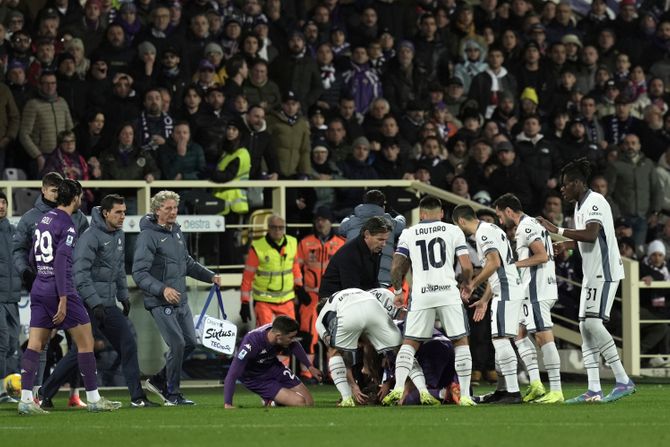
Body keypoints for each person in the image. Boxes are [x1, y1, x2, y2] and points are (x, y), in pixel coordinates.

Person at [17, 180, 121, 415]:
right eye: (80, 196)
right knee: (86, 342)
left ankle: (25, 399)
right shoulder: (68, 224)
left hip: (39, 286)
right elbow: (63, 261)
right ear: (74, 197)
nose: (81, 200)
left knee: (35, 344)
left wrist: (39, 275)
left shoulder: (44, 218)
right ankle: (93, 399)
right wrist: (63, 298)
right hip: (61, 289)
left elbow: (33, 253)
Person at [538, 158, 635, 403]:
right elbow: (587, 239)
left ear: (579, 183)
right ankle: (593, 389)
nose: (562, 189)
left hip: (605, 271)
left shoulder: (595, 201)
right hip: (592, 273)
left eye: (566, 184)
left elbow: (591, 235)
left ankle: (623, 380)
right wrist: (568, 246)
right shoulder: (579, 206)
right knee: (585, 328)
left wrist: (556, 230)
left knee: (592, 325)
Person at [383, 196, 475, 407]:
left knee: (410, 343)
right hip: (448, 293)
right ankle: (467, 396)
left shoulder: (409, 232)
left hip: (422, 293)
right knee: (460, 342)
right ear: (441, 213)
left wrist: (398, 291)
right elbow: (467, 266)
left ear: (422, 214)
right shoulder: (453, 230)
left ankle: (398, 389)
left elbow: (397, 267)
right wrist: (466, 283)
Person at [132, 190, 222, 406]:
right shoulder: (147, 236)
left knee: (190, 342)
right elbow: (139, 273)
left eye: (175, 208)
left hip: (180, 300)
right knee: (178, 343)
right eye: (168, 208)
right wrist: (162, 289)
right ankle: (172, 393)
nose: (173, 212)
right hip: (161, 301)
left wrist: (210, 276)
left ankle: (158, 381)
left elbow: (187, 263)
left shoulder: (177, 232)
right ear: (157, 210)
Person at [75, 195, 159, 407]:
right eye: (118, 212)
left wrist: (123, 296)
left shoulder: (119, 235)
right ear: (105, 213)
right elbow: (80, 274)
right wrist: (94, 303)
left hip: (107, 303)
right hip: (88, 303)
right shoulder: (90, 236)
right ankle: (46, 392)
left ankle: (137, 398)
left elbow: (119, 271)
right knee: (84, 350)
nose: (123, 217)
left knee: (127, 342)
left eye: (124, 212)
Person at [493, 193, 564, 404]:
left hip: (537, 290)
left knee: (543, 337)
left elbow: (541, 255)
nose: (499, 221)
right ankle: (536, 384)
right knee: (518, 333)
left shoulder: (527, 226)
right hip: (531, 289)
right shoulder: (531, 224)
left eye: (499, 215)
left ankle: (557, 390)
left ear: (508, 211)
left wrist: (513, 266)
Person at [452, 204, 524, 404]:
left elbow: (494, 264)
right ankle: (502, 390)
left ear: (461, 221)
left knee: (501, 340)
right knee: (498, 339)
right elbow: (496, 267)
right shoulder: (492, 229)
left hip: (507, 290)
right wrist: (484, 299)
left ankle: (513, 392)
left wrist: (473, 284)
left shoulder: (482, 234)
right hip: (505, 289)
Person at [316, 288, 403, 406]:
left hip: (369, 310)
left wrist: (353, 386)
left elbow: (337, 353)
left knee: (336, 352)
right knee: (399, 348)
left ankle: (347, 397)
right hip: (375, 308)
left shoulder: (322, 322)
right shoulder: (352, 298)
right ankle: (402, 387)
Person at [223, 316, 322, 408]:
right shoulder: (251, 344)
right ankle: (270, 400)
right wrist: (228, 403)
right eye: (290, 337)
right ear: (278, 336)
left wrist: (310, 367)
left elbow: (294, 345)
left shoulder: (277, 331)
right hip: (256, 377)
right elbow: (232, 374)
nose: (292, 340)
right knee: (300, 402)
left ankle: (275, 398)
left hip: (273, 367)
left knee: (309, 403)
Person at [295, 207, 346, 380]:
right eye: (318, 219)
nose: (320, 222)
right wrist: (299, 289)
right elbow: (296, 268)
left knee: (333, 336)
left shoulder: (340, 243)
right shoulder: (305, 242)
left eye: (324, 219)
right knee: (309, 336)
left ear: (330, 221)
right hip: (309, 297)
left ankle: (334, 374)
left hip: (332, 297)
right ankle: (306, 374)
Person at [239, 215, 302, 326]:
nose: (277, 230)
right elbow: (248, 277)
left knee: (289, 336)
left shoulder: (292, 243)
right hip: (264, 300)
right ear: (268, 228)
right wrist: (245, 302)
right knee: (265, 336)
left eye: (281, 227)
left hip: (286, 299)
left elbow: (295, 268)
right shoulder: (258, 247)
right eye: (274, 227)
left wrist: (299, 288)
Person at [338, 190, 405, 287]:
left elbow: (342, 229)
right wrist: (393, 212)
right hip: (382, 282)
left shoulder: (351, 221)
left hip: (354, 280)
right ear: (383, 206)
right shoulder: (389, 221)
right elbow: (402, 223)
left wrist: (353, 213)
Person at [319, 216, 392, 298]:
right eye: (380, 239)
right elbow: (352, 291)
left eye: (386, 240)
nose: (384, 244)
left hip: (351, 296)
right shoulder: (350, 254)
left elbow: (373, 282)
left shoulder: (375, 250)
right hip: (332, 301)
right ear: (367, 234)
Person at [0, 192, 21, 403]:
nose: (1, 206)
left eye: (3, 202)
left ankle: (6, 388)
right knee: (2, 341)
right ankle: (1, 390)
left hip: (13, 297)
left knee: (14, 342)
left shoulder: (15, 232)